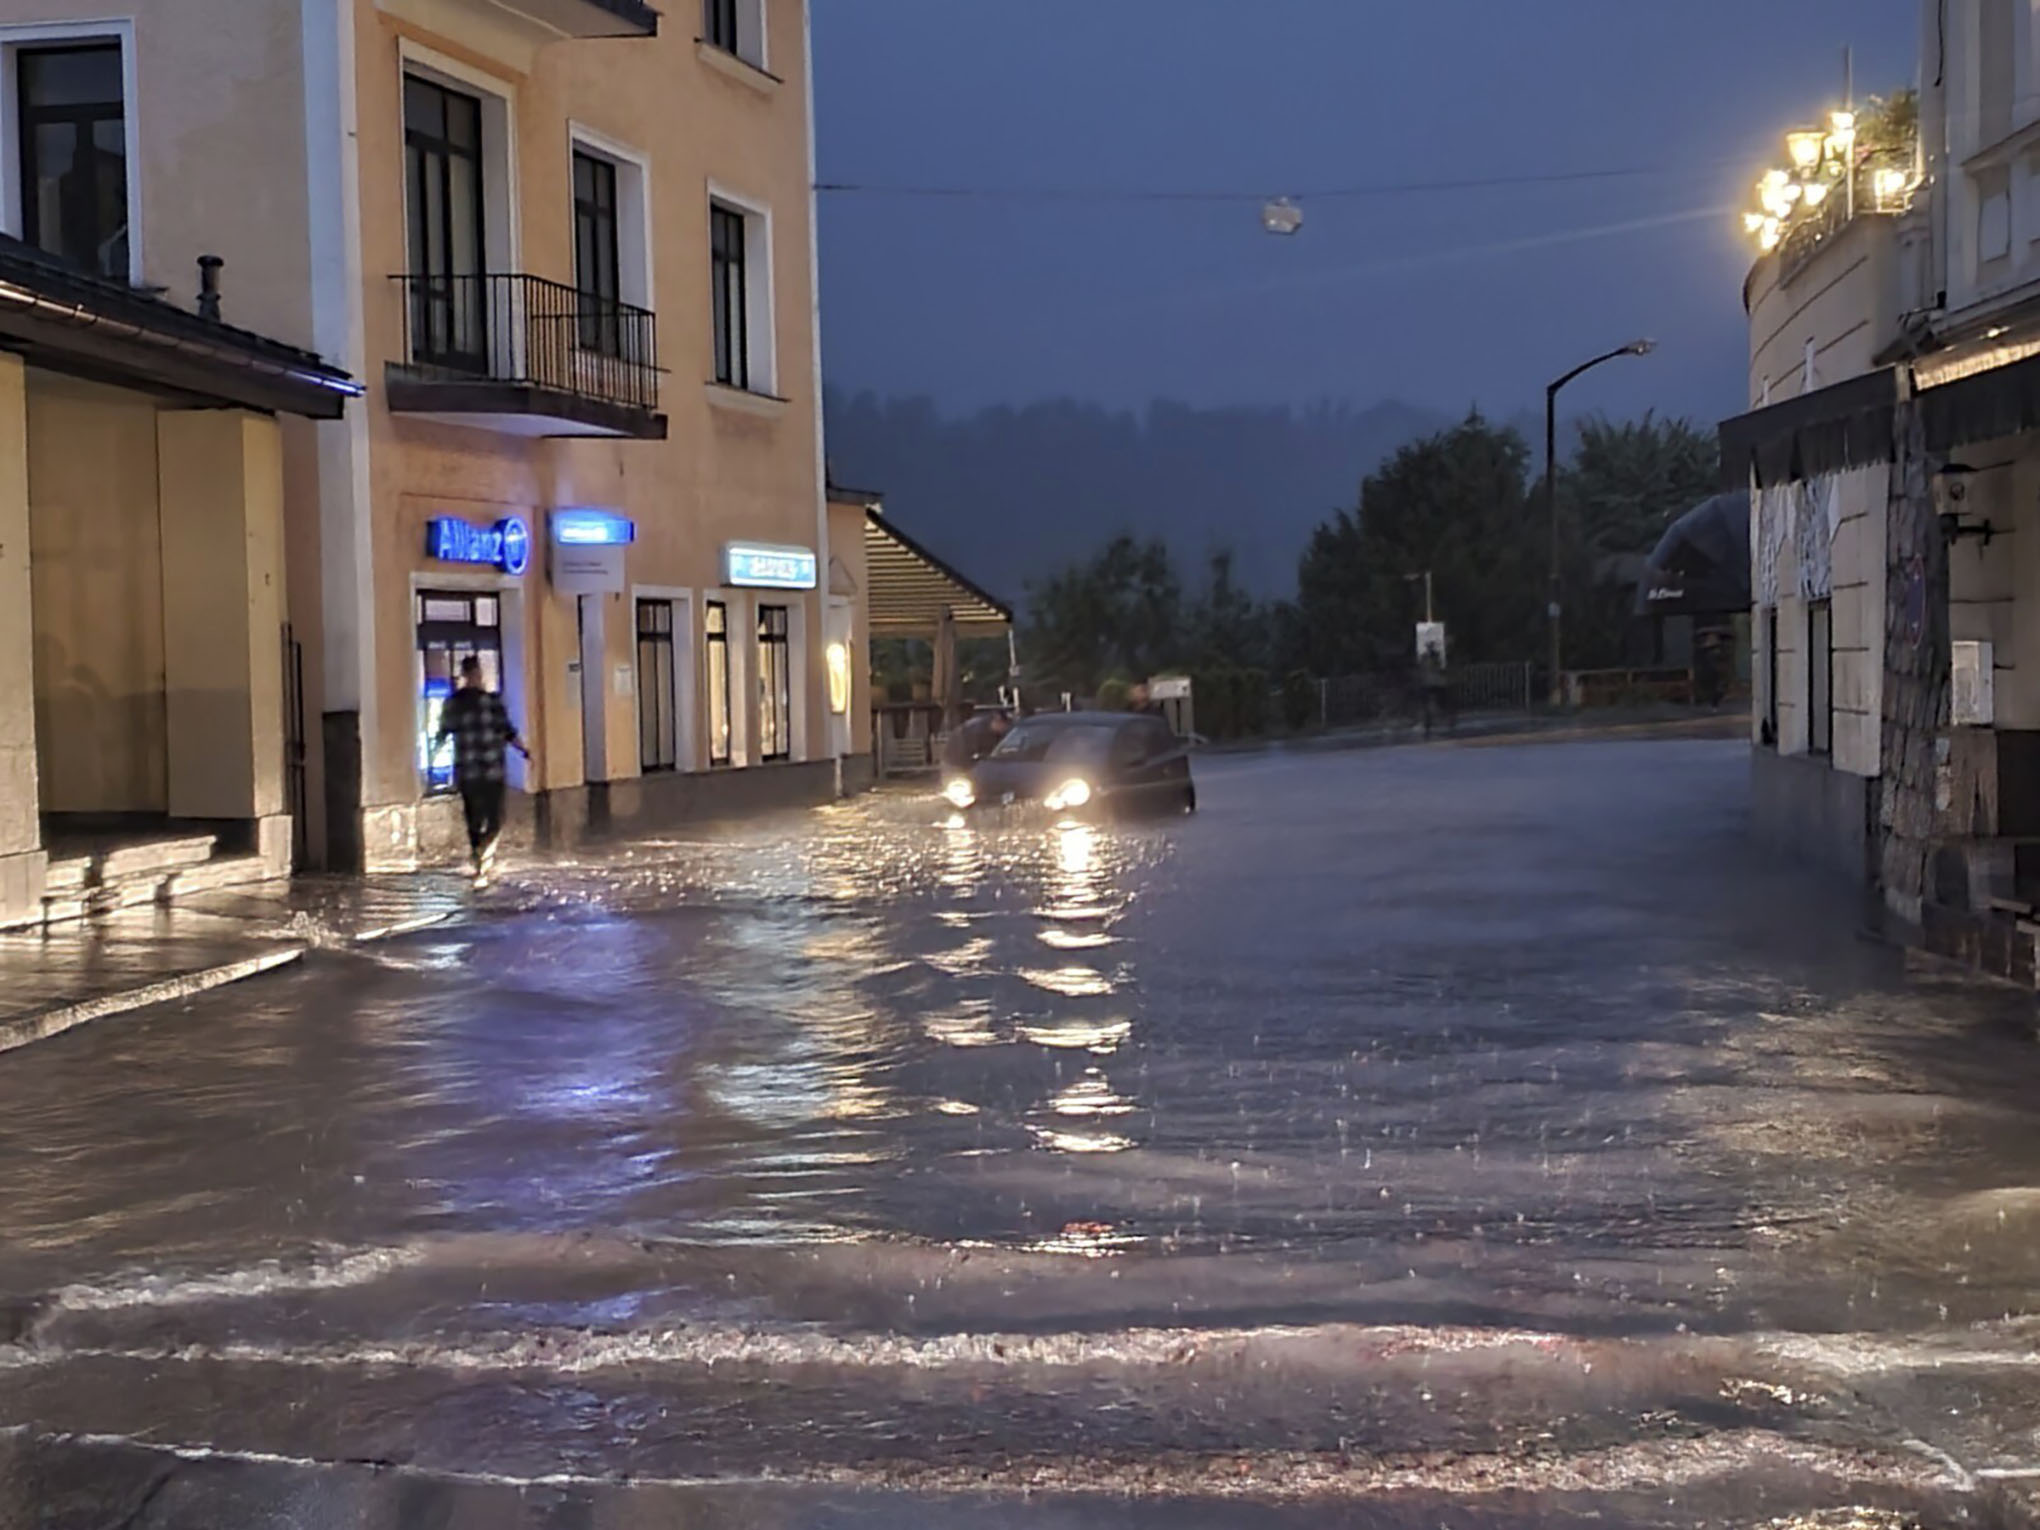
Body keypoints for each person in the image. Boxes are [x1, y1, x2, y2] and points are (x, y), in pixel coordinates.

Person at [435, 656, 530, 885]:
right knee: (489, 818)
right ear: (473, 674)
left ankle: (481, 856)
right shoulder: (487, 702)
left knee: (481, 819)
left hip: (472, 771)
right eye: (475, 673)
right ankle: (482, 857)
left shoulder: (457, 703)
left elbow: (442, 733)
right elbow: (507, 731)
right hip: (488, 770)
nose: (476, 678)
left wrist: (524, 750)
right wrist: (525, 750)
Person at [943, 708, 1011, 771]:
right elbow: (972, 754)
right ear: (997, 720)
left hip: (970, 763)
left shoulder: (997, 733)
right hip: (954, 762)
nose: (1005, 729)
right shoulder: (976, 730)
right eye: (1005, 725)